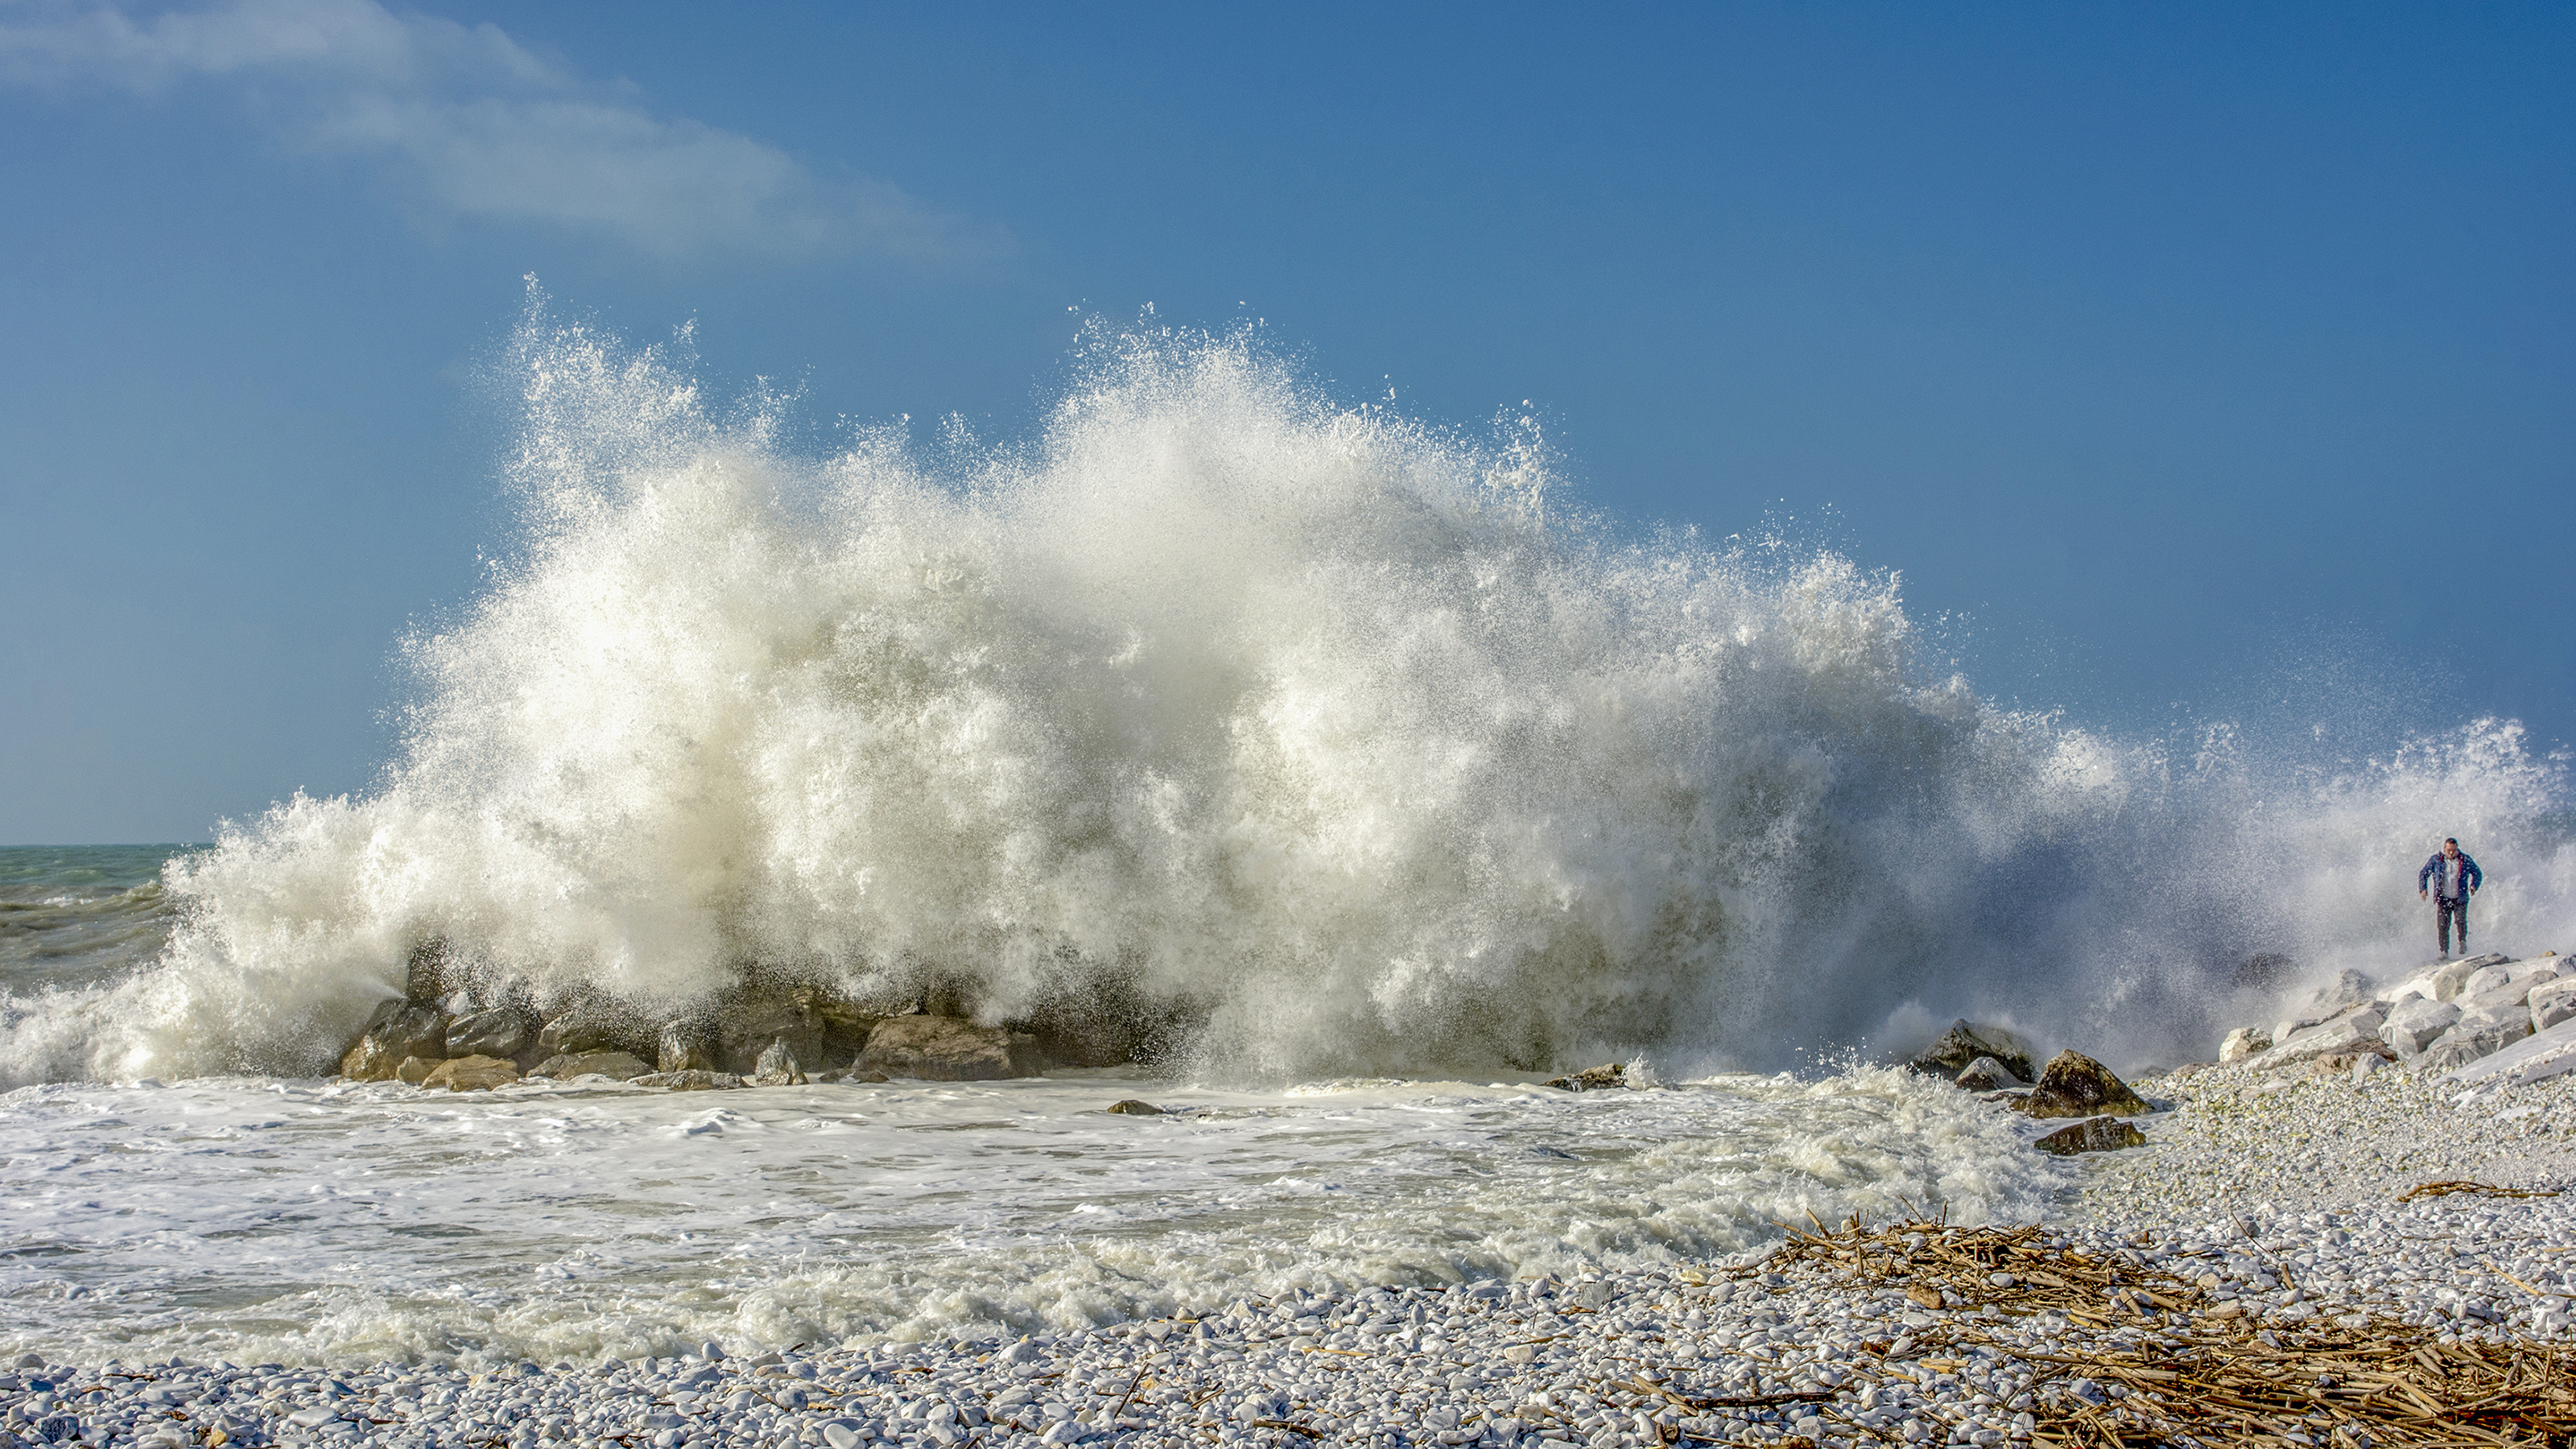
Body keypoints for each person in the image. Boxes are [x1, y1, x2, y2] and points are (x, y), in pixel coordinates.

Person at [2417, 837, 2483, 959]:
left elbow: (2477, 873)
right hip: (2443, 899)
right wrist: (2423, 889)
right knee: (2442, 926)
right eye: (2449, 850)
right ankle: (2444, 952)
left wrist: (2474, 886)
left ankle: (2462, 941)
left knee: (2460, 921)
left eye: (2454, 850)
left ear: (2457, 849)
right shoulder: (2436, 860)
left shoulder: (2465, 860)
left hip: (2460, 898)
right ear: (2444, 849)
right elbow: (2423, 873)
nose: (2451, 853)